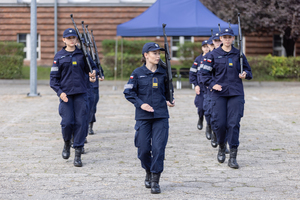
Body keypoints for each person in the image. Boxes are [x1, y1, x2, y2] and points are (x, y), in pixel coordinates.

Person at [123, 42, 175, 194]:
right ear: (146, 55)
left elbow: (167, 92)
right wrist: (141, 104)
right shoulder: (137, 73)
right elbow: (128, 93)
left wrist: (169, 100)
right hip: (143, 116)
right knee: (143, 150)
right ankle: (148, 170)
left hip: (160, 115)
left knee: (159, 149)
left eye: (159, 53)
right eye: (155, 53)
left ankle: (155, 180)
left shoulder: (164, 73)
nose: (158, 56)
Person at [200, 27, 252, 169]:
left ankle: (233, 157)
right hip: (219, 94)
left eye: (230, 37)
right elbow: (203, 75)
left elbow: (249, 71)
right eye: (225, 37)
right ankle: (222, 147)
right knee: (220, 124)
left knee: (233, 124)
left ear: (233, 39)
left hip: (236, 93)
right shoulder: (213, 55)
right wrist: (212, 84)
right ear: (220, 39)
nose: (227, 39)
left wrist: (245, 74)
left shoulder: (238, 54)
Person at [50, 28, 97, 167]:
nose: (71, 40)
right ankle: (66, 143)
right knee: (67, 122)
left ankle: (77, 152)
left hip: (82, 93)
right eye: (68, 38)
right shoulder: (59, 56)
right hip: (66, 95)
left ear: (76, 39)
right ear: (63, 40)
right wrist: (60, 92)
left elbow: (93, 68)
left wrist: (93, 74)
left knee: (81, 123)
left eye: (73, 38)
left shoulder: (83, 54)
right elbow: (53, 80)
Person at [189, 40, 210, 137]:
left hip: (209, 87)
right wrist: (195, 85)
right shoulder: (198, 59)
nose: (206, 48)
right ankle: (200, 118)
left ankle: (209, 126)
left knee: (210, 109)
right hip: (201, 87)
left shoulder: (212, 57)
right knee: (201, 107)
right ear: (202, 48)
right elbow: (192, 73)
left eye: (207, 46)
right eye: (204, 46)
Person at [88, 63, 104, 135]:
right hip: (83, 86)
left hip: (94, 87)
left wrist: (101, 75)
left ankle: (90, 126)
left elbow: (99, 69)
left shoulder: (93, 57)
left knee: (92, 108)